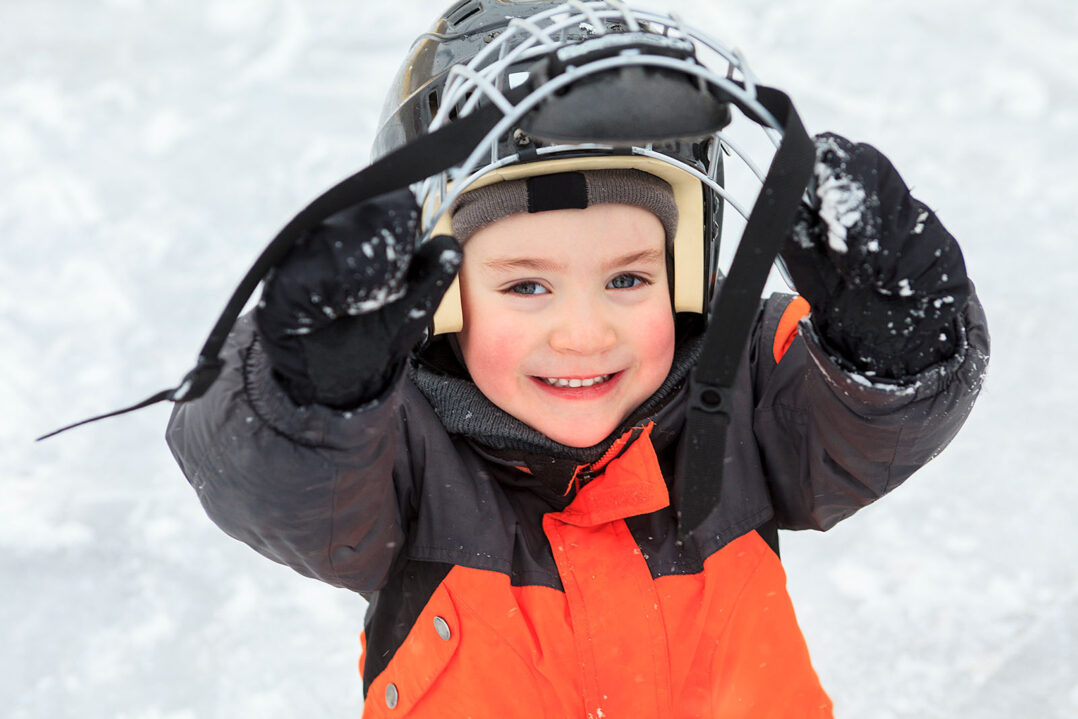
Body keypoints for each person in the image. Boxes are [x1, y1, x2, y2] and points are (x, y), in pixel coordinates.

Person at [166, 2, 989, 717]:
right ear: (441, 293)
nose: (585, 333)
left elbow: (868, 426)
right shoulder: (400, 452)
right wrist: (314, 389)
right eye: (527, 287)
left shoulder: (742, 388)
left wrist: (895, 343)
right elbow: (267, 478)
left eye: (628, 277)